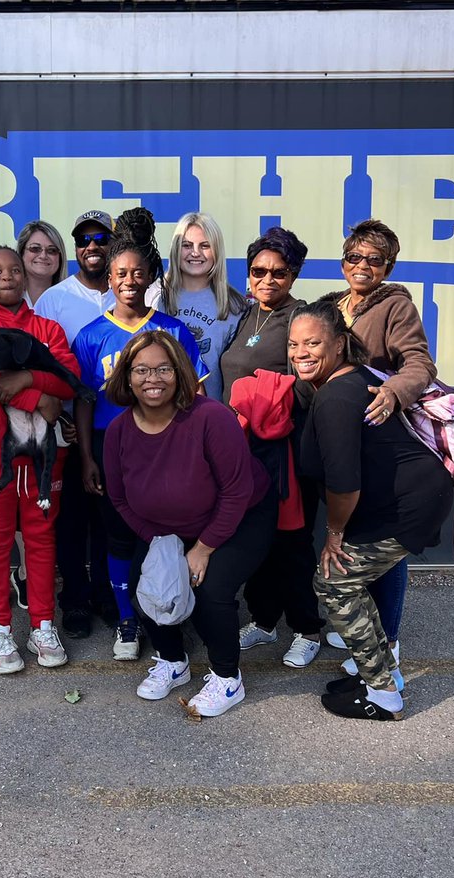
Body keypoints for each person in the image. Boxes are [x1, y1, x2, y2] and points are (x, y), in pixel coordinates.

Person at [289, 302, 453, 720]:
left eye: (312, 343)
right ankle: (383, 673)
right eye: (293, 344)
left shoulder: (337, 397)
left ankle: (382, 694)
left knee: (333, 582)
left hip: (405, 507)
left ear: (340, 344)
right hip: (402, 501)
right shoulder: (348, 381)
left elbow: (345, 483)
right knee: (346, 582)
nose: (300, 352)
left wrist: (334, 534)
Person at [103, 331, 275, 716]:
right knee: (148, 584)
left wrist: (203, 548)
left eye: (164, 368)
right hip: (165, 528)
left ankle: (228, 679)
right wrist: (161, 543)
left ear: (180, 372)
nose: (153, 378)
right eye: (142, 369)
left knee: (210, 589)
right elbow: (118, 498)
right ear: (126, 376)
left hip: (240, 517)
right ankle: (173, 661)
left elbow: (236, 491)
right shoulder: (117, 431)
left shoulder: (211, 417)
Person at [72, 207, 208, 662]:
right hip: (114, 458)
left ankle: (172, 614)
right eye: (120, 273)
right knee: (119, 540)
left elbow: (194, 393)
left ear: (151, 276)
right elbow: (84, 401)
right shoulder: (92, 336)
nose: (129, 280)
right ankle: (128, 621)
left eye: (137, 272)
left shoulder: (171, 330)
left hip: (165, 457)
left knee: (168, 538)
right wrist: (88, 459)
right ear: (108, 278)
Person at [315, 220, 438, 678]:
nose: (362, 266)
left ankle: (389, 641)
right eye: (354, 257)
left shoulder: (395, 307)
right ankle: (361, 624)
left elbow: (420, 362)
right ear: (343, 260)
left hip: (375, 439)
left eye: (374, 260)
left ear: (388, 266)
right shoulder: (331, 307)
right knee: (349, 537)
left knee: (382, 543)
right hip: (336, 436)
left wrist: (395, 392)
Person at [0, 247, 78, 674]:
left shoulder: (46, 326)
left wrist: (28, 378)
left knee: (43, 540)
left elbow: (68, 378)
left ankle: (42, 623)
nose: (7, 276)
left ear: (26, 279)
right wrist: (38, 397)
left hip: (43, 456)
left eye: (14, 270)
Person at [217, 226, 327, 669]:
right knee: (254, 541)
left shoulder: (303, 318)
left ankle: (307, 628)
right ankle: (263, 621)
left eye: (279, 272)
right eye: (259, 270)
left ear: (294, 273)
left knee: (292, 545)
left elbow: (307, 382)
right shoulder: (244, 314)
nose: (268, 279)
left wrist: (246, 395)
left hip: (288, 452)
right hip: (243, 450)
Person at [33, 210, 119, 639]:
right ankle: (76, 602)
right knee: (69, 523)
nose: (91, 247)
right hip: (65, 428)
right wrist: (60, 415)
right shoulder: (54, 299)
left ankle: (107, 596)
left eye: (101, 238)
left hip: (118, 429)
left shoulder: (132, 291)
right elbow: (43, 364)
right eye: (83, 239)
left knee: (109, 519)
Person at [161, 212, 248, 402]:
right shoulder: (156, 296)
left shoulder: (235, 305)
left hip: (210, 414)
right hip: (160, 415)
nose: (195, 253)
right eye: (186, 245)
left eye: (205, 246)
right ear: (176, 249)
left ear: (217, 251)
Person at [0, 219, 68, 310]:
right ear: (21, 253)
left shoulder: (67, 297)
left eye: (52, 250)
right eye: (35, 248)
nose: (43, 255)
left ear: (60, 256)